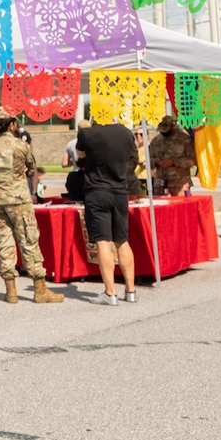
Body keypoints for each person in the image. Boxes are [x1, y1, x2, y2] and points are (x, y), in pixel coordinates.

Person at [0, 109, 60, 305]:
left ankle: (10, 291)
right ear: (12, 124)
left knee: (4, 241)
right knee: (28, 239)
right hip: (18, 198)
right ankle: (40, 290)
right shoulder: (21, 146)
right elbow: (32, 170)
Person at [73, 116, 139, 305]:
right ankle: (131, 290)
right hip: (120, 191)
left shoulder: (87, 133)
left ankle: (110, 293)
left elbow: (80, 154)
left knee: (103, 241)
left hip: (97, 191)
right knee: (122, 241)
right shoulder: (127, 133)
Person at [148, 116, 195, 196]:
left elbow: (192, 161)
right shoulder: (156, 141)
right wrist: (156, 161)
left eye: (166, 131)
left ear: (173, 127)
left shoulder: (185, 140)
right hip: (160, 185)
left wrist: (173, 162)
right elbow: (149, 158)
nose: (163, 133)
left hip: (179, 185)